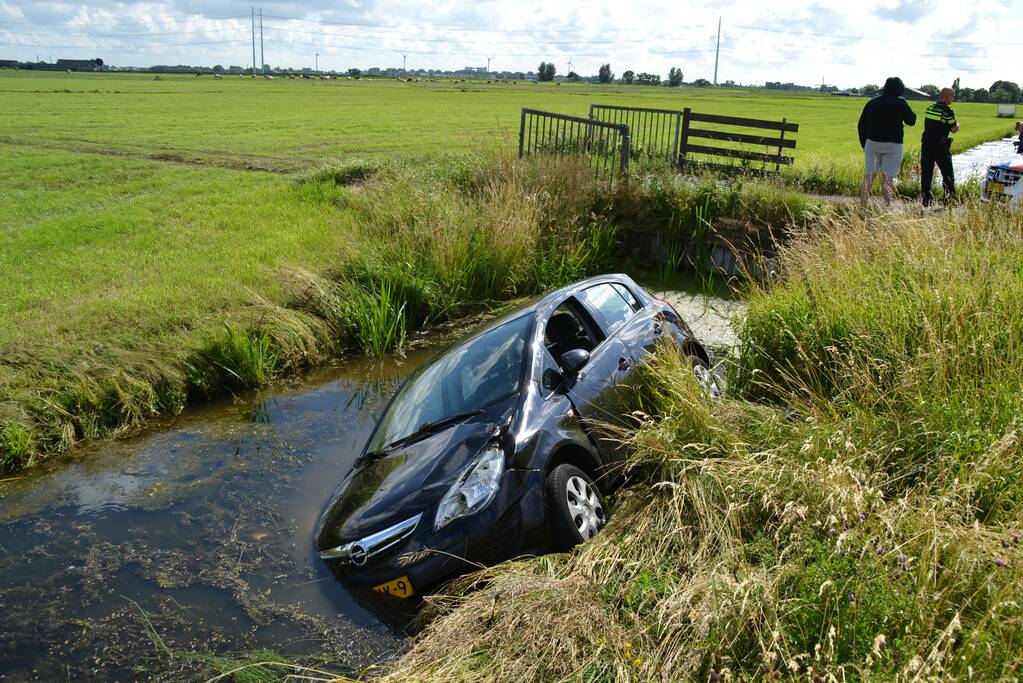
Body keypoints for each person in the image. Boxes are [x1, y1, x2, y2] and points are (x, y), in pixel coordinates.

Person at [858, 77, 917, 204]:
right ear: (900, 89)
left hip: (872, 143)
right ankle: (887, 207)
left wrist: (864, 144)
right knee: (888, 179)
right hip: (893, 145)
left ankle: (863, 205)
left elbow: (861, 125)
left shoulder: (872, 102)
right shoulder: (900, 102)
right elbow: (911, 121)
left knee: (869, 177)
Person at [920, 87, 959, 206]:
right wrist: (957, 124)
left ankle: (926, 199)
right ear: (946, 96)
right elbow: (954, 129)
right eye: (952, 96)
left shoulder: (930, 107)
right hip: (940, 146)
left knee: (926, 172)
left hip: (926, 144)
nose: (953, 98)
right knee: (947, 173)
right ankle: (949, 200)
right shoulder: (947, 111)